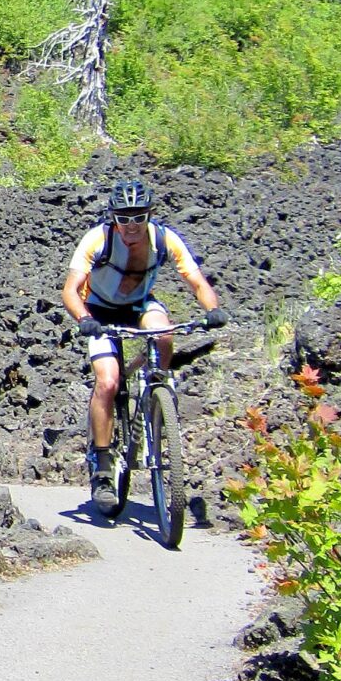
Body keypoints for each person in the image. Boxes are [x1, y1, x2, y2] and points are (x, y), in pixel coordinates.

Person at [60, 179, 226, 515]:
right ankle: (103, 466)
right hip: (100, 311)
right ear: (114, 218)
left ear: (149, 215)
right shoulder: (97, 239)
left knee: (163, 333)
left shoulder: (164, 239)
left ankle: (158, 388)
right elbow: (70, 289)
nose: (132, 225)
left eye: (139, 217)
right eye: (124, 218)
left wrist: (212, 310)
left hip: (139, 305)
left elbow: (197, 281)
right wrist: (83, 318)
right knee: (107, 382)